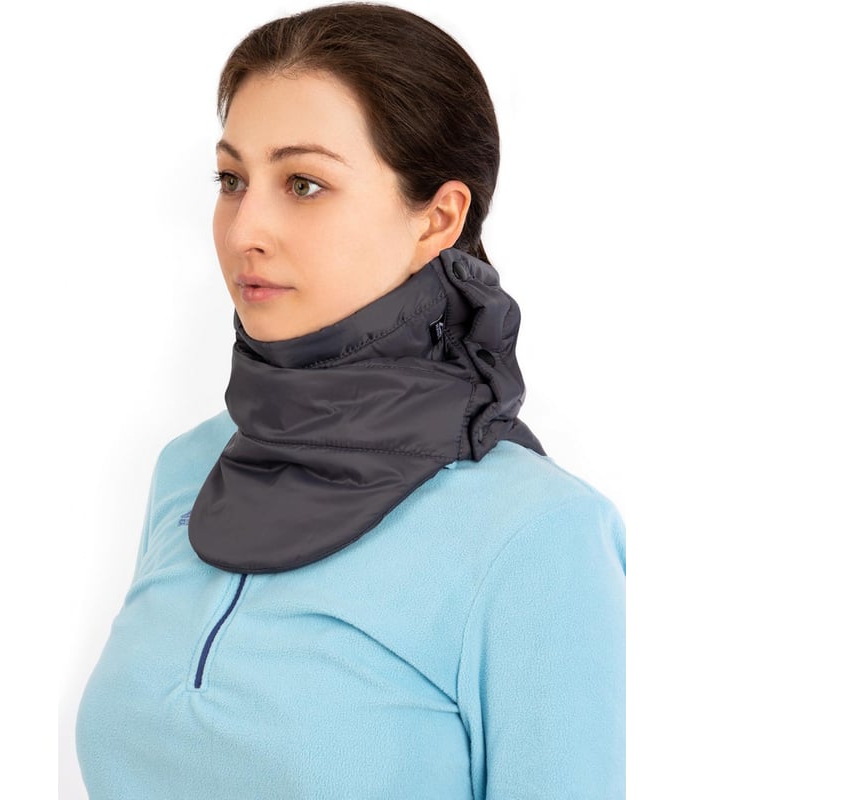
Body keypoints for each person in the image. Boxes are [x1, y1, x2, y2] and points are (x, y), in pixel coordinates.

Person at [75, 3, 625, 797]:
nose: (244, 229)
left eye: (304, 184)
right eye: (232, 180)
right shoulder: (188, 471)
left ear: (438, 218)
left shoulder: (537, 534)